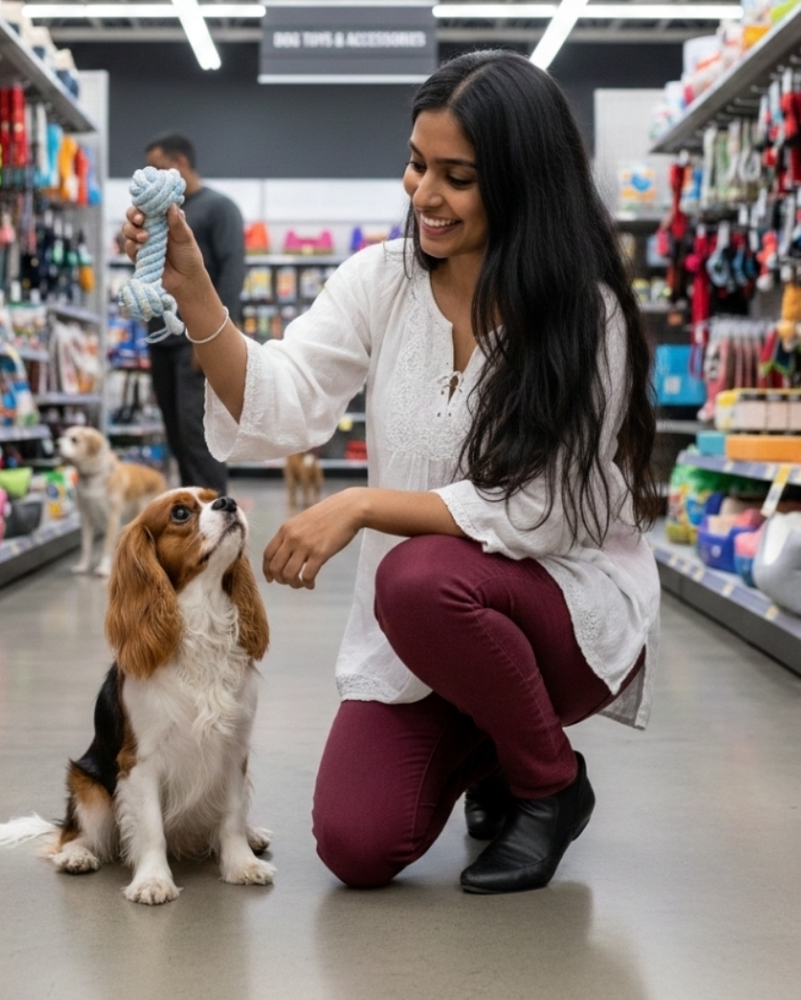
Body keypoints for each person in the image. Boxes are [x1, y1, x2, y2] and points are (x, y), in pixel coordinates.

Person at [121, 51, 660, 895]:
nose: (424, 194)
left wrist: (365, 504)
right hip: (428, 633)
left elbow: (546, 511)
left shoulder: (584, 316)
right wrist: (194, 295)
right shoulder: (382, 279)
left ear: (522, 183)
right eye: (416, 164)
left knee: (416, 577)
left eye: (458, 177)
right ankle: (491, 742)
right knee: (356, 843)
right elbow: (281, 397)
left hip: (560, 610)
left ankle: (549, 782)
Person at [141, 132, 245, 494]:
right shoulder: (161, 214)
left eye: (158, 167)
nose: (152, 176)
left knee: (199, 438)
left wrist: (214, 342)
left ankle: (217, 517)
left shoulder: (219, 208)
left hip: (196, 342)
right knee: (177, 438)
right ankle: (192, 522)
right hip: (162, 341)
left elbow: (232, 273)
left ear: (181, 163)